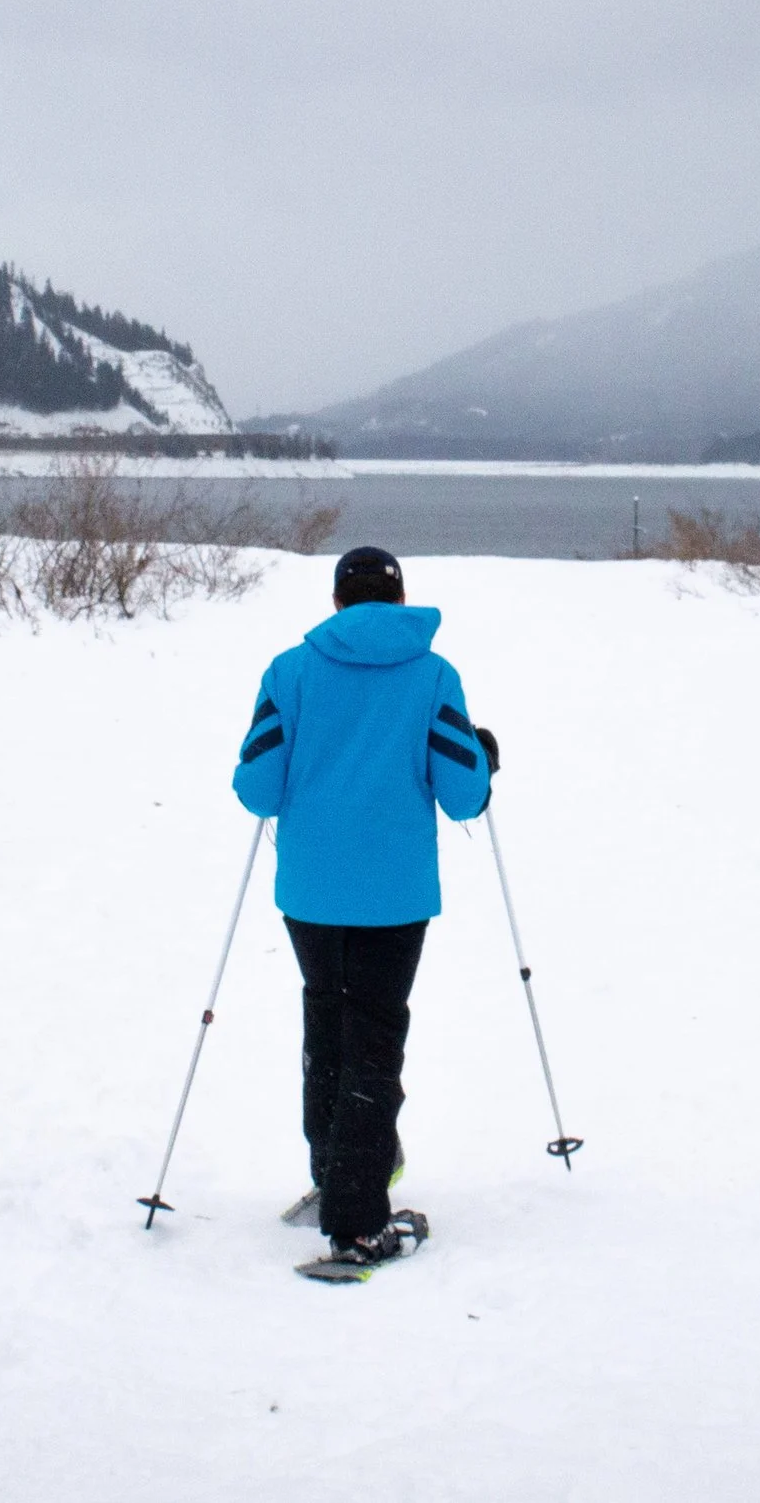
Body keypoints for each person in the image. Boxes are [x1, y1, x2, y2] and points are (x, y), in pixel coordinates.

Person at [232, 545, 499, 1271]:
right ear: (400, 596)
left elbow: (258, 788)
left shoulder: (290, 671)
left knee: (328, 1021)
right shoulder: (434, 675)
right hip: (394, 894)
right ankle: (355, 1222)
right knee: (375, 1039)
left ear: (338, 602)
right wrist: (484, 755)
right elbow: (463, 796)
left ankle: (334, 1176)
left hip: (311, 892)